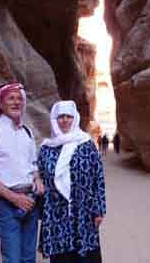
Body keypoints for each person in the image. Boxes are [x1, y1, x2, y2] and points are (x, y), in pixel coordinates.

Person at [0, 82, 44, 263]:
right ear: (1, 103)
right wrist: (14, 198)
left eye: (20, 98)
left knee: (29, 258)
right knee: (12, 259)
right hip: (7, 204)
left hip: (31, 201)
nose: (16, 102)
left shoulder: (27, 132)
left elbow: (33, 165)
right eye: (11, 98)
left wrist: (37, 179)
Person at [38, 100, 106, 263]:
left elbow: (98, 177)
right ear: (55, 119)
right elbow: (39, 174)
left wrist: (99, 209)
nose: (65, 120)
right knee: (63, 257)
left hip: (85, 211)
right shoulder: (46, 148)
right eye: (61, 116)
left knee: (86, 256)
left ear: (75, 118)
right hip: (57, 213)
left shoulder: (86, 144)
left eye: (69, 116)